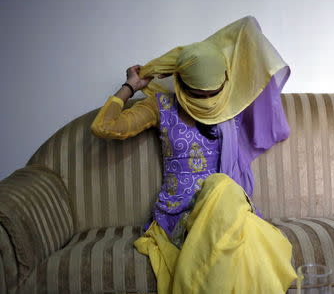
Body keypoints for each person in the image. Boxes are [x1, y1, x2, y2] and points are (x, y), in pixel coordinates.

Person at [91, 16, 297, 294]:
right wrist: (131, 86)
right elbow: (104, 127)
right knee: (225, 194)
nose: (211, 103)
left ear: (226, 82)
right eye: (201, 96)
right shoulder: (160, 106)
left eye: (215, 94)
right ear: (182, 84)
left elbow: (249, 32)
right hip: (181, 216)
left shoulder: (233, 102)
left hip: (226, 209)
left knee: (225, 192)